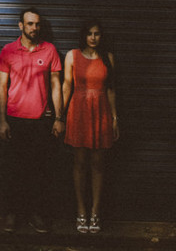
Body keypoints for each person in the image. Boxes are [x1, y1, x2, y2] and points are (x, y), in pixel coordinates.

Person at [0, 7, 64, 233]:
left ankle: (36, 215)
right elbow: (2, 87)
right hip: (15, 120)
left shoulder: (50, 50)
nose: (35, 28)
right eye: (30, 24)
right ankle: (12, 215)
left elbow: (56, 86)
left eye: (37, 24)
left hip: (40, 122)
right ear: (21, 26)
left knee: (39, 171)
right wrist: (2, 120)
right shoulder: (8, 51)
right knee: (14, 170)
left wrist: (58, 117)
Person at [62, 19, 119, 234]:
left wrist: (114, 118)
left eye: (97, 34)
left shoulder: (109, 58)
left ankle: (95, 212)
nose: (93, 38)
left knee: (97, 164)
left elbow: (111, 89)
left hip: (101, 112)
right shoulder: (72, 56)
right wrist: (60, 115)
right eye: (89, 34)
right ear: (83, 35)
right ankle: (81, 211)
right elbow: (67, 85)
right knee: (79, 162)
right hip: (78, 111)